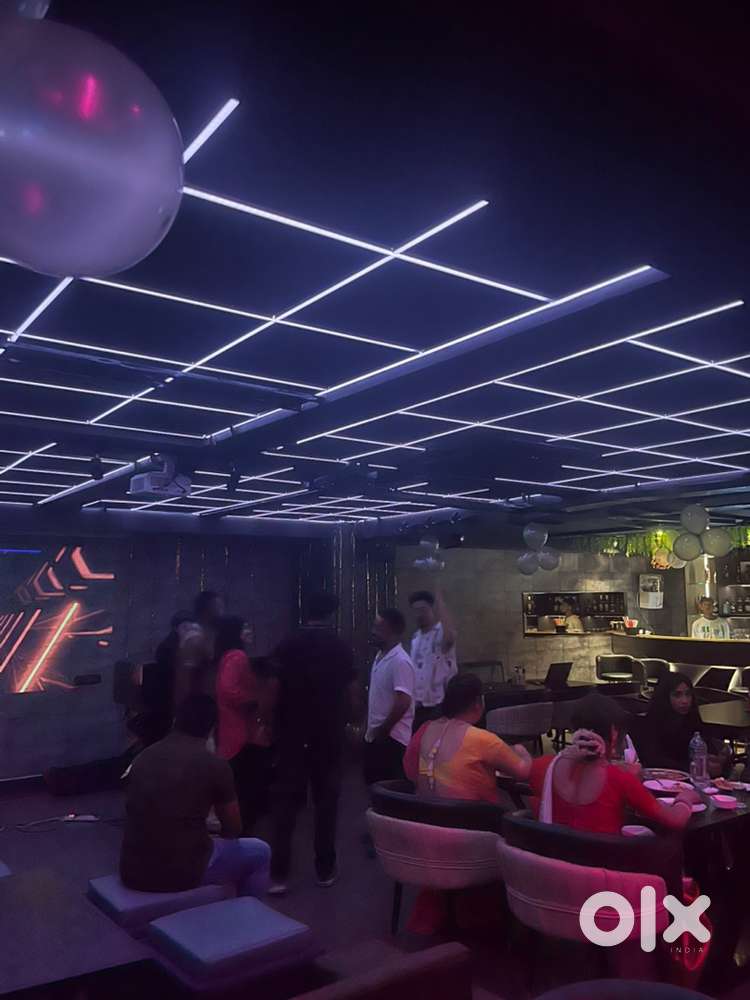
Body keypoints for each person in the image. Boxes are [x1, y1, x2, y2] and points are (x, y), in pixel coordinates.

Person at [120, 694, 270, 896]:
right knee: (260, 851)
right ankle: (247, 911)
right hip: (180, 874)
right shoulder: (215, 766)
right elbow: (233, 828)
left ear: (175, 721)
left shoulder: (142, 758)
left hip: (131, 870)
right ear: (211, 729)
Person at [269, 592, 356, 894]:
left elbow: (273, 686)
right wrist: (351, 721)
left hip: (291, 734)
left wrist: (269, 723)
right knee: (326, 804)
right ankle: (325, 869)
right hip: (328, 735)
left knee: (286, 804)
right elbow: (352, 690)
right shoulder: (340, 647)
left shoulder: (287, 644)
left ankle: (278, 875)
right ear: (332, 614)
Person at [528, 693, 699, 834]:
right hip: (606, 863)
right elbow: (675, 821)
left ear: (573, 729)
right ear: (613, 732)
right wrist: (685, 799)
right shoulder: (620, 778)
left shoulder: (545, 766)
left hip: (559, 861)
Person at [404, 673, 531, 803]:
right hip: (475, 815)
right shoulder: (483, 739)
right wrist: (521, 751)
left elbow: (411, 772)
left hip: (425, 812)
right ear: (477, 703)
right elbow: (523, 772)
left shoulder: (424, 729)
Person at [215, 616, 277, 834]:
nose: (250, 632)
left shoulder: (228, 656)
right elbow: (227, 689)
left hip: (232, 731)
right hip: (242, 733)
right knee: (246, 787)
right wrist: (253, 700)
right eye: (245, 628)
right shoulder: (237, 657)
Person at [637, 672, 726, 776]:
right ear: (665, 697)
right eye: (677, 695)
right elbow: (653, 760)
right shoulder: (651, 722)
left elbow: (706, 745)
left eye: (688, 694)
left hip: (695, 777)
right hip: (662, 779)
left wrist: (715, 760)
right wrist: (692, 767)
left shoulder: (692, 718)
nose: (685, 701)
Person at [364, 608, 415, 786]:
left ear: (393, 631)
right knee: (373, 788)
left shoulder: (400, 661)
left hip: (393, 739)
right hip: (376, 736)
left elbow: (403, 701)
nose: (373, 631)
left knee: (390, 790)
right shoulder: (380, 656)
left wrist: (384, 729)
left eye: (378, 628)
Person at [409, 589, 458, 730]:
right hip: (418, 705)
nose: (419, 614)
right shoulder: (415, 638)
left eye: (423, 610)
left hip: (440, 705)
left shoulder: (440, 632)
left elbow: (449, 637)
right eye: (416, 611)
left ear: (431, 610)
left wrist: (440, 602)